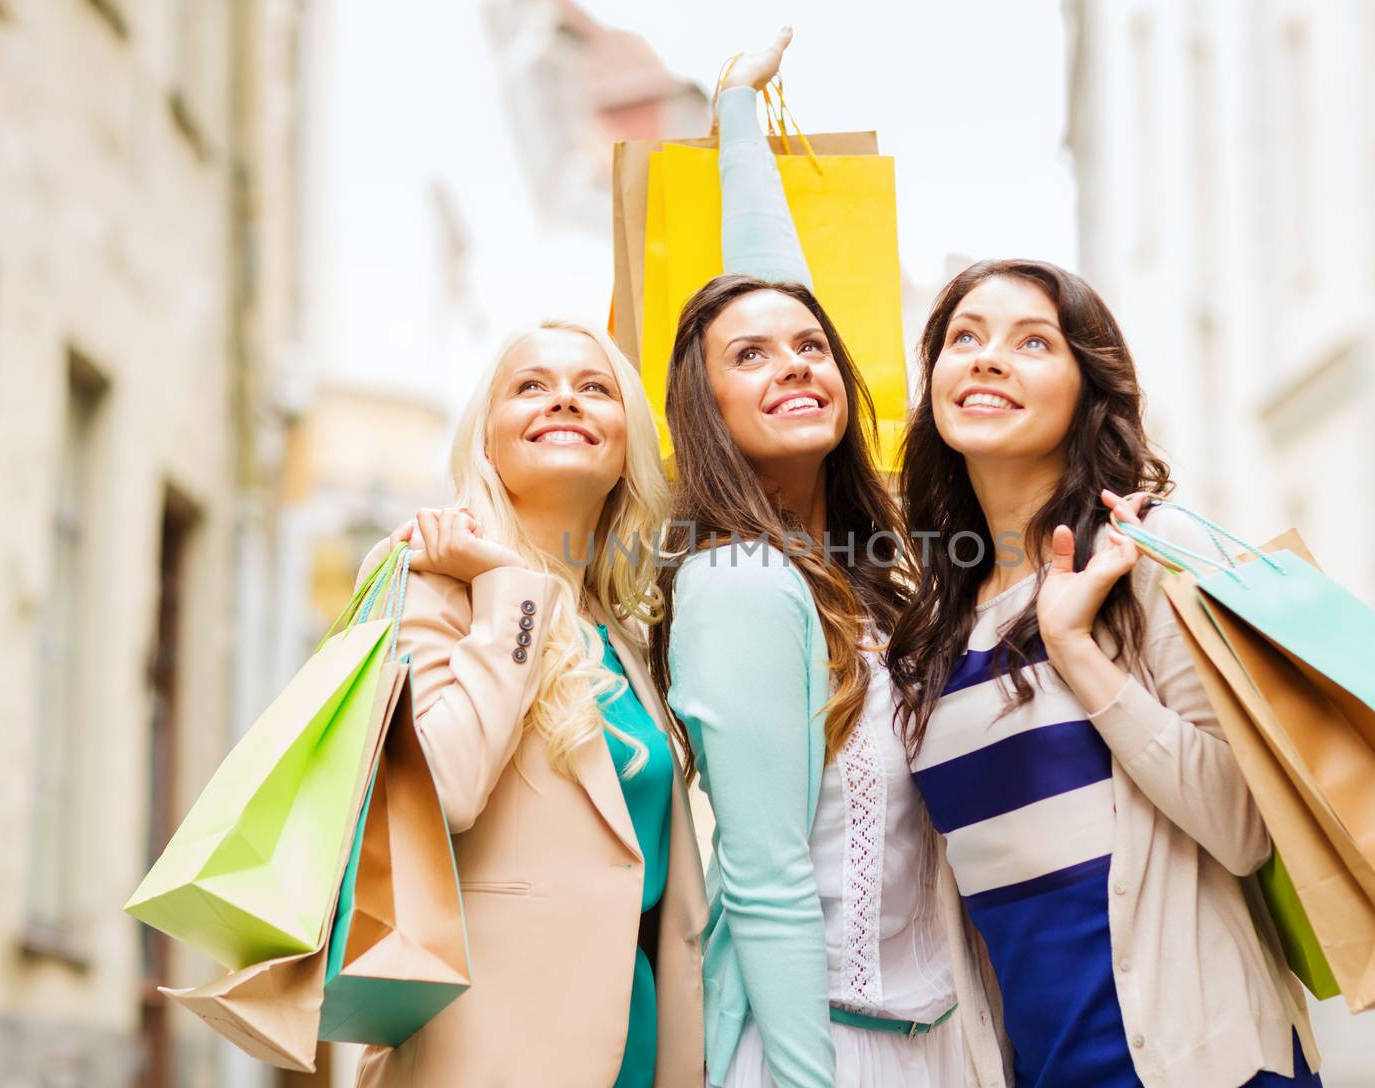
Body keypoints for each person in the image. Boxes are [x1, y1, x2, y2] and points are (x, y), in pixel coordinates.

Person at [646, 33, 1001, 1088]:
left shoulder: (868, 578)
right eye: (748, 358)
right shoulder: (739, 584)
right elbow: (762, 877)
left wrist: (742, 125)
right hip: (819, 1049)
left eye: (809, 348)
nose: (793, 365)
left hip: (934, 1036)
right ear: (705, 409)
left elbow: (774, 287)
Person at [886, 260, 1322, 1088]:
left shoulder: (1149, 557)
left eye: (1033, 342)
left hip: (1195, 1061)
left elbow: (1239, 825)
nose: (986, 358)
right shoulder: (932, 625)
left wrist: (1075, 649)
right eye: (964, 338)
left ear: (1088, 390)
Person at [351, 321, 707, 1088]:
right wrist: (507, 586)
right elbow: (442, 788)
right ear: (487, 439)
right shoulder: (424, 579)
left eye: (595, 387)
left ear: (626, 449)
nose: (565, 401)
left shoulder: (625, 637)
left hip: (636, 1048)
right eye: (531, 386)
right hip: (481, 1052)